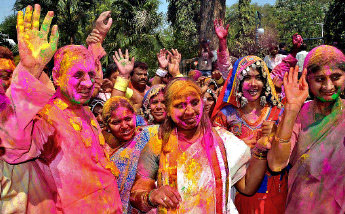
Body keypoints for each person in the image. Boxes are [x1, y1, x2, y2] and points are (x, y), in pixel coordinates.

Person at [0, 5, 122, 213]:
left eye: (91, 76)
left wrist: (97, 38)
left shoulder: (82, 108)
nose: (87, 83)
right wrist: (31, 69)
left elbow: (87, 69)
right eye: (77, 76)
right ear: (56, 77)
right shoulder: (44, 117)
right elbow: (12, 146)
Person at [130, 77, 272, 213]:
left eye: (194, 102)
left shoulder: (224, 141)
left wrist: (260, 151)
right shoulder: (159, 145)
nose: (190, 111)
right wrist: (151, 196)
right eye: (180, 105)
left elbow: (247, 187)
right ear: (167, 110)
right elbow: (136, 194)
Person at [212, 19, 287, 214]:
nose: (253, 84)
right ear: (237, 81)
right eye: (247, 77)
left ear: (266, 82)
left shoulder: (278, 112)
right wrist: (222, 44)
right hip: (239, 195)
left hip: (276, 194)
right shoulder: (225, 117)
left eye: (258, 78)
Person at [268, 45, 345, 213]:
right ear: (307, 79)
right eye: (319, 79)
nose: (328, 86)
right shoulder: (297, 115)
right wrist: (292, 109)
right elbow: (276, 164)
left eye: (336, 77)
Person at [102, 96, 159, 213]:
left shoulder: (149, 134)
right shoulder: (102, 148)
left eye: (128, 119)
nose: (124, 126)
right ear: (107, 125)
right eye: (116, 122)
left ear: (135, 116)